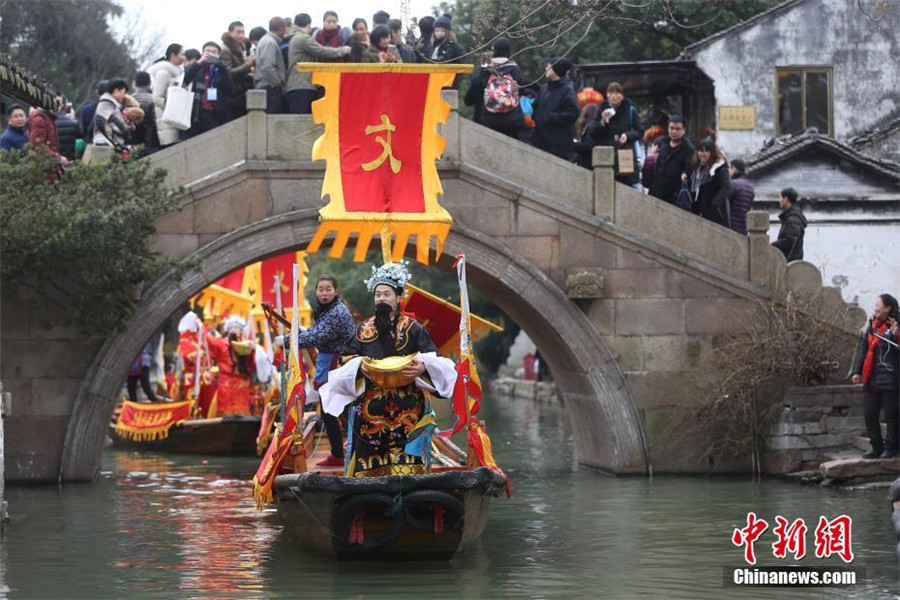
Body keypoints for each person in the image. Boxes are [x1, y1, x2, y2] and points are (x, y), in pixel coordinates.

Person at [321, 261, 456, 478]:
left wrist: (423, 367)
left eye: (387, 294)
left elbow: (435, 359)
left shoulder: (414, 329)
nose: (381, 298)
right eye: (378, 294)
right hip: (371, 407)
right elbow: (345, 358)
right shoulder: (363, 330)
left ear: (398, 297)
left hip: (408, 406)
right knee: (369, 461)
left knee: (408, 464)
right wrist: (358, 366)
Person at [282, 275, 355, 467]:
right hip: (329, 362)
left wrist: (288, 340)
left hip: (338, 364)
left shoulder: (336, 312)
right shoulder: (326, 310)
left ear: (335, 291)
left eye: (328, 289)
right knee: (330, 411)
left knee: (333, 411)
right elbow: (318, 332)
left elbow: (319, 336)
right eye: (321, 289)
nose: (324, 293)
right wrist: (302, 332)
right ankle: (340, 453)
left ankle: (340, 454)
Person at [851, 294, 900, 459]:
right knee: (869, 413)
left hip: (891, 379)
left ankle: (892, 448)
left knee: (891, 416)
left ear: (888, 308)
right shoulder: (873, 325)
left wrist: (896, 335)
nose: (875, 308)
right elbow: (864, 349)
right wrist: (857, 371)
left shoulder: (896, 325)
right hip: (871, 377)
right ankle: (876, 447)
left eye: (878, 305)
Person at [287, 13, 351, 113]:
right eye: (328, 21)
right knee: (303, 121)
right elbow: (321, 51)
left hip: (298, 85)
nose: (331, 24)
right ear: (308, 26)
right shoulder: (303, 39)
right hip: (303, 85)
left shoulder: (294, 38)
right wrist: (342, 51)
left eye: (334, 22)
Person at [463, 37, 525, 139]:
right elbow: (521, 91)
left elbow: (468, 100)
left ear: (493, 51)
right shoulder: (515, 70)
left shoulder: (483, 71)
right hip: (511, 121)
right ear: (509, 51)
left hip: (487, 121)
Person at [589, 82, 644, 187]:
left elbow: (640, 131)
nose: (614, 96)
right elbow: (593, 134)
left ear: (622, 96)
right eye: (610, 92)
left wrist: (628, 135)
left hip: (624, 157)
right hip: (606, 157)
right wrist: (602, 122)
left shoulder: (630, 110)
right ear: (607, 95)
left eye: (617, 93)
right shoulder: (601, 110)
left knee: (626, 188)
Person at [181, 41, 235, 139]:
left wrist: (222, 68)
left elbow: (230, 90)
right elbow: (184, 80)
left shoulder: (220, 71)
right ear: (202, 53)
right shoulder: (196, 67)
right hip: (194, 114)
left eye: (214, 52)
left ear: (219, 55)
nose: (211, 54)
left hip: (213, 114)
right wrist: (199, 62)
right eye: (208, 51)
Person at [206, 315, 257, 416]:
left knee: (243, 414)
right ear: (228, 330)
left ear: (241, 330)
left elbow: (253, 364)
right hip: (226, 385)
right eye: (231, 328)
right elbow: (211, 344)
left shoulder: (247, 344)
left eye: (236, 327)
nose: (234, 330)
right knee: (226, 415)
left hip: (242, 385)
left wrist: (254, 350)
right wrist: (205, 330)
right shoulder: (222, 343)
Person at [531, 57, 580, 161]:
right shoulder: (544, 88)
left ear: (556, 69)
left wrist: (552, 117)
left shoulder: (567, 90)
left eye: (550, 66)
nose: (547, 68)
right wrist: (537, 117)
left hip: (558, 144)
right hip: (540, 140)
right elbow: (536, 106)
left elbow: (574, 112)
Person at [649, 115, 695, 205]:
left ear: (684, 130)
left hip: (675, 196)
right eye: (671, 128)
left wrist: (685, 174)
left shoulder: (689, 149)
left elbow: (690, 169)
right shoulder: (663, 143)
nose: (674, 131)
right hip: (657, 192)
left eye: (678, 129)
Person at [688, 138, 732, 228]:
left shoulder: (720, 168)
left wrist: (714, 204)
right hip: (699, 210)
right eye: (700, 151)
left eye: (705, 151)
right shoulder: (698, 167)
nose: (702, 154)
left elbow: (727, 186)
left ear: (712, 152)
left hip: (715, 213)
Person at [151, 44, 186, 148]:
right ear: (173, 55)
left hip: (177, 120)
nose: (184, 57)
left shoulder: (178, 73)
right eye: (182, 54)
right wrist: (172, 107)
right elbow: (157, 97)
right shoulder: (163, 73)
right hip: (168, 122)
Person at [220, 21, 256, 119]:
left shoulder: (239, 48)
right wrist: (248, 65)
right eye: (238, 32)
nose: (241, 35)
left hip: (239, 95)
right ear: (230, 33)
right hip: (231, 97)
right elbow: (228, 73)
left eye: (243, 32)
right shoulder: (225, 49)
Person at [254, 17, 288, 114]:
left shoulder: (266, 40)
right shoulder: (270, 42)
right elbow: (267, 67)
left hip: (268, 86)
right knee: (272, 119)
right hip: (270, 87)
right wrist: (277, 84)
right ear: (282, 29)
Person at [28, 103, 68, 177]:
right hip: (44, 171)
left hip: (51, 167)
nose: (59, 108)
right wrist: (58, 158)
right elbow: (37, 146)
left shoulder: (49, 118)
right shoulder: (40, 120)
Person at [93, 79, 132, 150]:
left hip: (110, 143)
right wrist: (126, 132)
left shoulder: (111, 103)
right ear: (116, 91)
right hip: (106, 144)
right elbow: (101, 121)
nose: (125, 96)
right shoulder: (107, 103)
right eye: (124, 92)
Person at [771, 187, 807, 261]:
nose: (779, 200)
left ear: (786, 199)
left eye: (780, 197)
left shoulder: (793, 219)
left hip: (790, 260)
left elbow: (789, 241)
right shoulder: (790, 217)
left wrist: (772, 246)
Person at [131, 72, 160, 154]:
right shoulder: (153, 99)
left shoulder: (127, 100)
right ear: (150, 83)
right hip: (151, 143)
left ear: (135, 84)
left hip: (133, 144)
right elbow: (155, 122)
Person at [728, 159, 755, 235]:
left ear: (734, 169)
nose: (728, 172)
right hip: (743, 227)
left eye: (730, 168)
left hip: (731, 226)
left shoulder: (733, 184)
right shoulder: (750, 187)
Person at [573, 103, 601, 168]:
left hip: (587, 163)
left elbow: (588, 146)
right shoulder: (595, 126)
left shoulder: (591, 127)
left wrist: (574, 144)